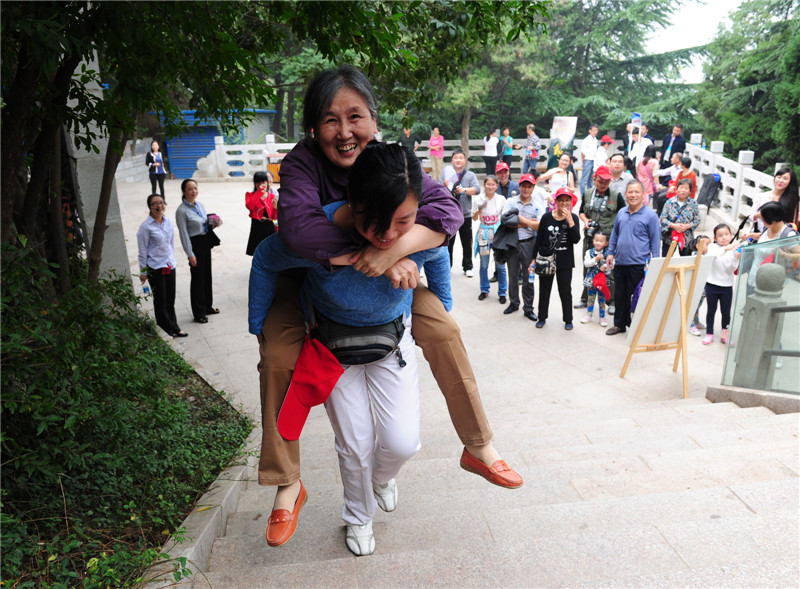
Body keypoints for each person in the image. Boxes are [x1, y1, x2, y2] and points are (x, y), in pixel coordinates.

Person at [260, 65, 522, 547]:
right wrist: (374, 253)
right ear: (313, 127)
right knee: (277, 356)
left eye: (355, 116)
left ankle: (478, 444)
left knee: (444, 330)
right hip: (312, 277)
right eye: (330, 120)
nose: (344, 132)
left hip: (391, 284)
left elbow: (446, 213)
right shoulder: (303, 164)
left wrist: (394, 250)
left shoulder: (391, 160)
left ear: (374, 119)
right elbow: (296, 230)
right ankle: (287, 481)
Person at [250, 143, 451, 556]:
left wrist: (441, 307)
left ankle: (381, 477)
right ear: (352, 204)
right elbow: (266, 258)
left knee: (403, 442)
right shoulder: (319, 231)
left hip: (392, 342)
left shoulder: (419, 230)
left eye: (403, 221)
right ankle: (358, 516)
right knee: (354, 444)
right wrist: (258, 325)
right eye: (374, 221)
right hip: (332, 349)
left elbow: (438, 252)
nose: (389, 235)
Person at [605, 180, 661, 335]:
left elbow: (655, 242)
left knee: (638, 297)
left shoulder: (650, 216)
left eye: (637, 192)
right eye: (630, 192)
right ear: (626, 194)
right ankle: (619, 325)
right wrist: (610, 253)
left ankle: (638, 328)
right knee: (620, 295)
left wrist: (656, 264)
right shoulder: (621, 213)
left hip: (639, 264)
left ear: (643, 194)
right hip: (621, 262)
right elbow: (615, 234)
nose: (633, 195)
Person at [136, 193, 187, 338]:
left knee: (170, 299)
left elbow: (171, 244)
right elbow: (142, 251)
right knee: (160, 300)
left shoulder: (168, 222)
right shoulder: (145, 227)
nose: (159, 206)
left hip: (169, 265)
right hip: (155, 267)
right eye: (154, 204)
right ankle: (165, 329)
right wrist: (143, 272)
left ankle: (174, 327)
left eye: (161, 202)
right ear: (150, 207)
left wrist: (171, 260)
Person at [575, 165, 625, 310]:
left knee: (609, 270)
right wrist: (585, 221)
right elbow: (581, 211)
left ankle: (611, 302)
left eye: (606, 181)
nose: (603, 184)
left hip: (608, 241)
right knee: (588, 268)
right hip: (591, 238)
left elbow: (623, 215)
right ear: (594, 179)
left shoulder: (616, 196)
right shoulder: (587, 193)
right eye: (600, 181)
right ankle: (585, 298)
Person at [531, 188, 581, 330]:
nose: (564, 203)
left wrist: (570, 221)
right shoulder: (546, 217)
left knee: (565, 291)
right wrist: (533, 259)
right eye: (561, 200)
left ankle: (568, 319)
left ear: (570, 202)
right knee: (544, 290)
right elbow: (539, 239)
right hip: (546, 260)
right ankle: (542, 317)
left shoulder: (573, 218)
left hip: (565, 261)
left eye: (567, 200)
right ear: (556, 202)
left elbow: (576, 239)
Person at [501, 172, 545, 320]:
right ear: (519, 186)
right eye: (524, 186)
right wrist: (528, 222)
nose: (526, 189)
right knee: (513, 276)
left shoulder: (537, 205)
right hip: (512, 243)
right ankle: (514, 303)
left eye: (529, 186)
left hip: (529, 244)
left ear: (533, 188)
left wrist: (519, 219)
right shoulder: (511, 202)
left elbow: (540, 226)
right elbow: (506, 222)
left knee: (528, 277)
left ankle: (528, 308)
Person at [175, 179, 220, 324]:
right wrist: (190, 254)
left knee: (207, 276)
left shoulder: (200, 205)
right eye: (190, 189)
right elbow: (183, 234)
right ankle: (199, 313)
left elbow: (203, 223)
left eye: (195, 188)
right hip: (195, 245)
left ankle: (207, 307)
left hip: (205, 242)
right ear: (184, 191)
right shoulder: (181, 211)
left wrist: (212, 223)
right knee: (197, 279)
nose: (193, 191)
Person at [697, 224, 740, 345]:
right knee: (711, 310)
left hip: (727, 286)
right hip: (711, 285)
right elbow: (712, 256)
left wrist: (736, 258)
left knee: (726, 312)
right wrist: (725, 249)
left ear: (731, 235)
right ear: (715, 238)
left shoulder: (734, 249)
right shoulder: (712, 247)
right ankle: (709, 333)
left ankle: (724, 335)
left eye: (726, 234)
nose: (724, 237)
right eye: (720, 235)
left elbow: (731, 268)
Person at [443, 148, 479, 276]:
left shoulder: (470, 175)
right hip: (450, 215)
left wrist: (464, 190)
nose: (458, 160)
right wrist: (444, 185)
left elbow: (477, 189)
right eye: (455, 158)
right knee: (448, 243)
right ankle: (447, 266)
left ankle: (468, 267)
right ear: (452, 160)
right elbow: (439, 190)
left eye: (460, 158)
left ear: (465, 160)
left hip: (465, 214)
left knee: (467, 242)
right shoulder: (446, 173)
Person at [472, 175, 507, 302]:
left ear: (497, 186)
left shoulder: (501, 199)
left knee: (500, 265)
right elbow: (474, 218)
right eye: (488, 184)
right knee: (484, 264)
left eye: (493, 184)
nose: (490, 187)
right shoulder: (479, 199)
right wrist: (478, 212)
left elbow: (504, 217)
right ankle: (484, 289)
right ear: (484, 185)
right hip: (484, 233)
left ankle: (502, 292)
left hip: (498, 234)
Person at [747, 167, 799, 238]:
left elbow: (792, 222)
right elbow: (751, 217)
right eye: (779, 177)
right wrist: (758, 215)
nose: (781, 181)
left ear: (790, 182)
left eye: (785, 179)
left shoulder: (791, 201)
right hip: (759, 235)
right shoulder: (761, 196)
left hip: (778, 238)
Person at [660, 178, 700, 256]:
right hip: (670, 237)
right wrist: (673, 226)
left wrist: (687, 226)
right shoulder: (669, 202)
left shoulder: (693, 203)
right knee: (666, 259)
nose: (683, 190)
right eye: (681, 188)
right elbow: (662, 219)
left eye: (686, 188)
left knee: (686, 260)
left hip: (686, 237)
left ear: (690, 191)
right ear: (677, 189)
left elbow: (697, 219)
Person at [580, 231, 611, 327]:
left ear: (606, 243)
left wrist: (606, 266)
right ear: (593, 241)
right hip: (592, 280)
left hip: (602, 281)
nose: (598, 243)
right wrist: (595, 259)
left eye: (601, 241)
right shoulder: (589, 252)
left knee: (602, 299)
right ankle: (589, 315)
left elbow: (612, 264)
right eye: (596, 240)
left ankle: (602, 317)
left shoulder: (608, 253)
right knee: (591, 298)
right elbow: (586, 263)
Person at [245, 171, 277, 256]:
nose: (261, 185)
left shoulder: (272, 196)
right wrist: (259, 192)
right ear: (255, 183)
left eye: (263, 182)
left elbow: (274, 217)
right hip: (256, 227)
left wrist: (276, 208)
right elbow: (250, 206)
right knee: (258, 253)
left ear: (267, 183)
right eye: (258, 183)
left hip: (269, 227)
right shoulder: (250, 195)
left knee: (272, 253)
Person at [579, 124, 599, 196]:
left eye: (597, 130)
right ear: (590, 131)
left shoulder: (595, 140)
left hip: (593, 160)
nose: (595, 132)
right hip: (587, 160)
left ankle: (590, 194)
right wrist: (583, 161)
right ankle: (583, 194)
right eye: (594, 130)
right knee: (584, 179)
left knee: (591, 179)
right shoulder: (587, 140)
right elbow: (582, 152)